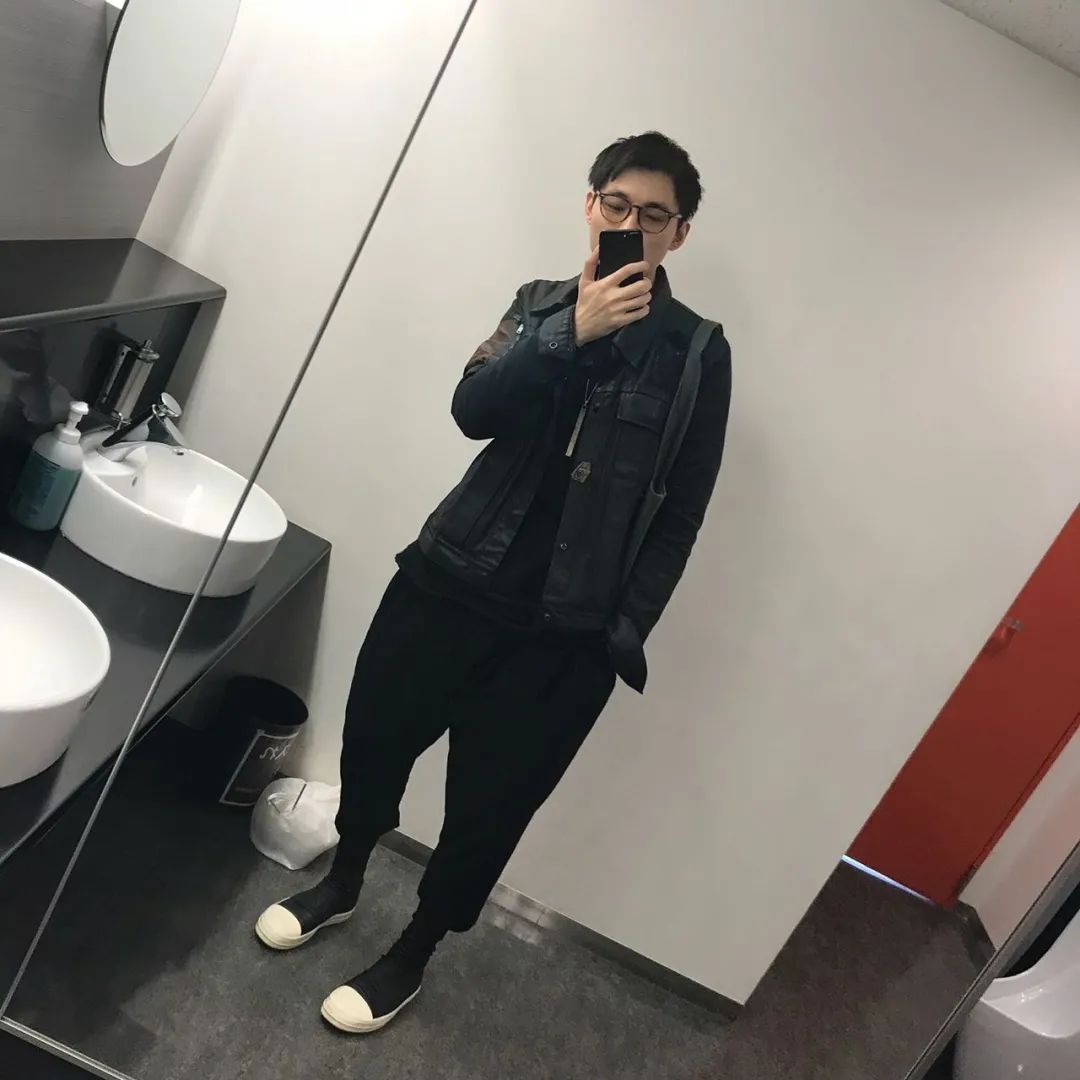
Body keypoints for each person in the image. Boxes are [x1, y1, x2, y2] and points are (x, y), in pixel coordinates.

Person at [255, 131, 733, 1034]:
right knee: (375, 743)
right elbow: (472, 410)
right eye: (617, 205)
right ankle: (344, 880)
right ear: (590, 207)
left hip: (564, 639)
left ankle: (414, 951)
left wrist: (621, 631)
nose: (631, 224)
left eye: (654, 215)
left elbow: (682, 514)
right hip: (448, 579)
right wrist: (571, 333)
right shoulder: (537, 305)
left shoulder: (699, 354)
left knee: (487, 813)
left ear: (680, 234)